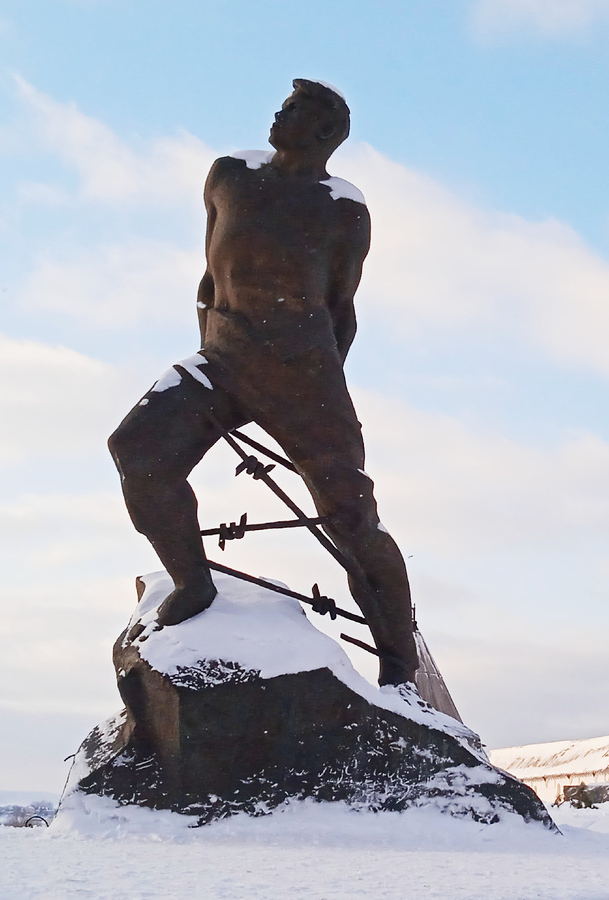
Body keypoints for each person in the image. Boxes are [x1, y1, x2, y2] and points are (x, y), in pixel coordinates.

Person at [108, 79, 418, 686]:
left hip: (303, 373)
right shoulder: (229, 176)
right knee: (138, 450)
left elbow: (340, 306)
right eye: (285, 103)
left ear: (325, 133)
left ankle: (399, 667)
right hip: (221, 356)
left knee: (351, 516)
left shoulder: (343, 210)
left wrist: (317, 392)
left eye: (296, 110)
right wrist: (217, 343)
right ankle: (193, 583)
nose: (280, 113)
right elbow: (210, 275)